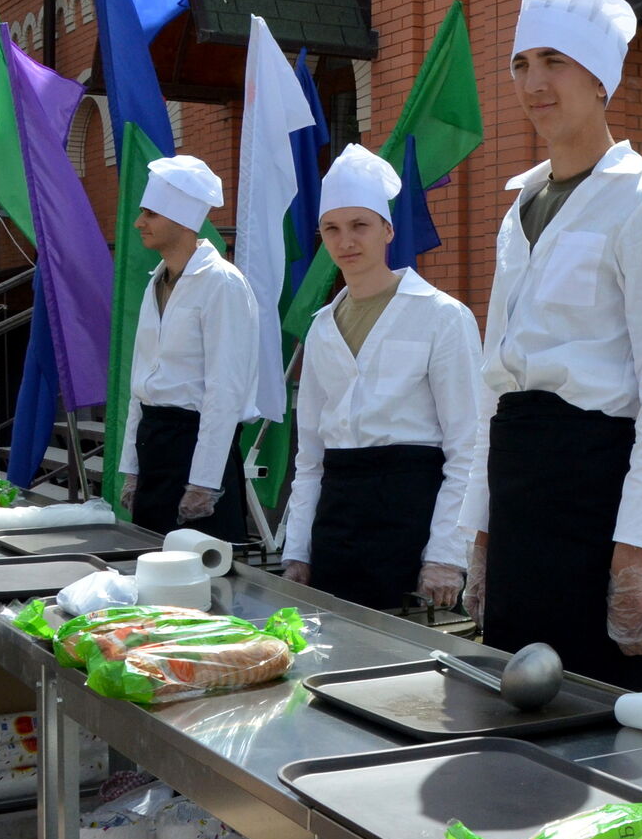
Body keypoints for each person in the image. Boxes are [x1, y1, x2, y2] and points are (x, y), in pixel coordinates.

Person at [458, 0, 642, 692]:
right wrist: (481, 529)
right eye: (521, 63)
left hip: (596, 496)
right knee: (517, 711)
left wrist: (637, 555)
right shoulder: (520, 209)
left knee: (606, 716)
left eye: (554, 61)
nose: (533, 82)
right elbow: (493, 382)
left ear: (601, 78)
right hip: (519, 488)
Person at [281, 144, 482, 611]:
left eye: (360, 225)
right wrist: (297, 550)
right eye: (332, 228)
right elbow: (310, 454)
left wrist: (446, 554)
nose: (346, 241)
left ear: (387, 230)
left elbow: (468, 446)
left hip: (409, 511)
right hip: (336, 517)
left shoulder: (442, 315)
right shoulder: (321, 326)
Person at [116, 155, 260, 544]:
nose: (139, 222)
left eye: (150, 213)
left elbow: (225, 390)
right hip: (155, 444)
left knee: (202, 574)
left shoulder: (222, 283)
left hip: (194, 445)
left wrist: (204, 482)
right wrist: (132, 468)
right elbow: (141, 382)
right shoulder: (156, 282)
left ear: (181, 219)